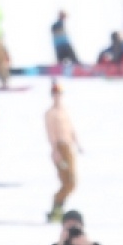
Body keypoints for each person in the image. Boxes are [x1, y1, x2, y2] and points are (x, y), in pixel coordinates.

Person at [45, 81, 82, 222]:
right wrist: (55, 151)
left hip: (68, 147)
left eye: (59, 93)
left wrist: (77, 143)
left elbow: (70, 128)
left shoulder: (64, 111)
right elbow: (50, 133)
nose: (57, 96)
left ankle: (58, 207)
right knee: (67, 180)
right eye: (55, 93)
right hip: (60, 148)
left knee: (72, 181)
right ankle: (56, 208)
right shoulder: (50, 113)